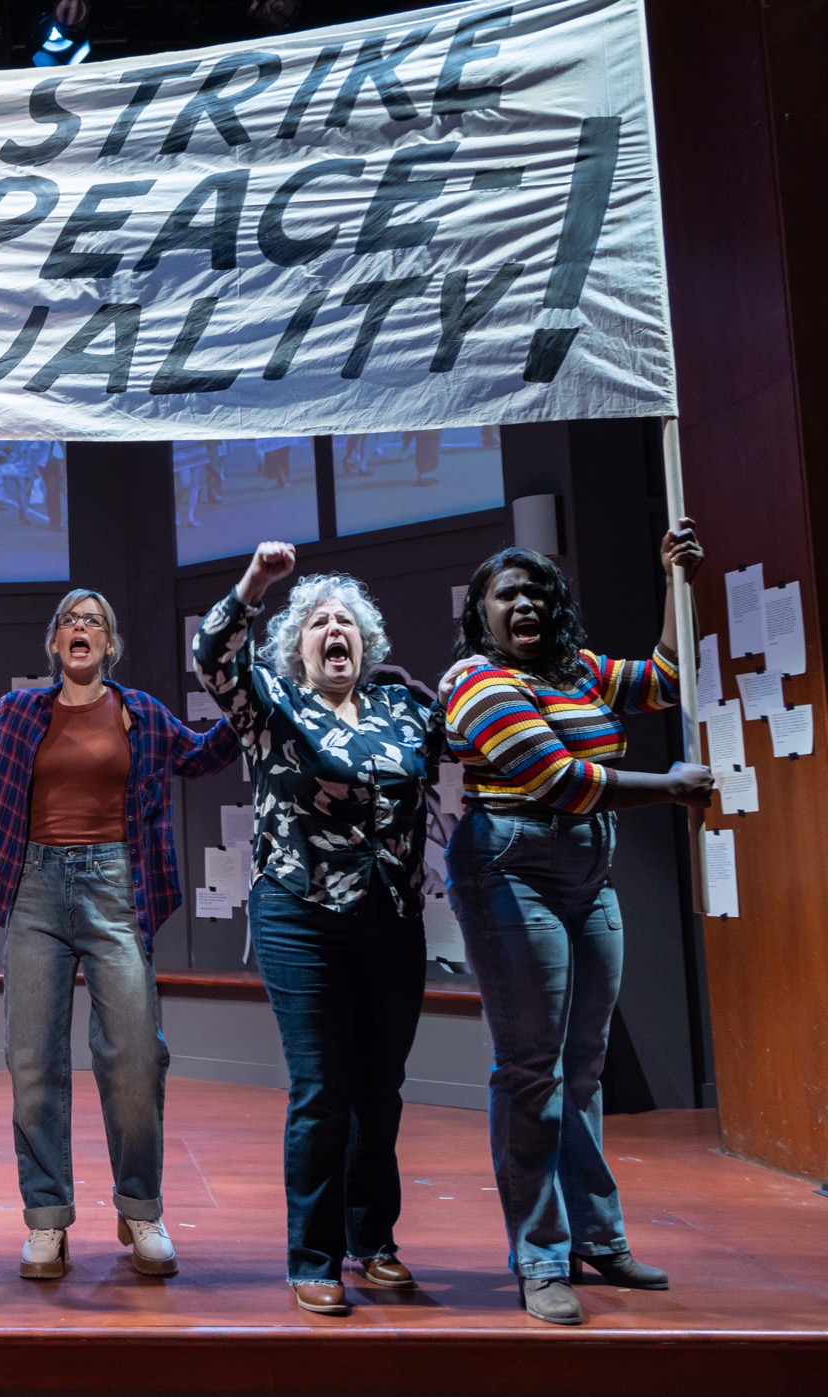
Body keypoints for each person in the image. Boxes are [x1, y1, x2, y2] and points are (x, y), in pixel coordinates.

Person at [194, 541, 474, 1317]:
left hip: (392, 920)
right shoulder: (271, 706)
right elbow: (212, 654)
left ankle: (372, 1240)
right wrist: (255, 583)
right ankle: (312, 1255)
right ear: (299, 645)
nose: (333, 629)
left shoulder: (407, 708)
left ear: (367, 640)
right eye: (318, 621)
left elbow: (483, 730)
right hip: (300, 917)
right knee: (323, 1088)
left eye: (345, 620)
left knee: (380, 1088)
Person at [444, 523, 712, 1326]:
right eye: (507, 594)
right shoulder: (475, 679)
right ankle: (539, 1256)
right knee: (532, 1071)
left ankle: (597, 1234)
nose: (524, 603)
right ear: (482, 613)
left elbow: (664, 679)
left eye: (536, 592)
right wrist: (669, 786)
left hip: (590, 873)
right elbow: (559, 780)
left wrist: (673, 577)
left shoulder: (577, 671)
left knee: (584, 1067)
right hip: (511, 871)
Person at [0, 590, 238, 1280]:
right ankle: (46, 1220)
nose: (79, 628)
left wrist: (249, 705)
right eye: (68, 621)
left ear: (109, 644)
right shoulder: (20, 712)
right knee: (32, 1059)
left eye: (93, 621)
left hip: (116, 885)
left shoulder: (140, 712)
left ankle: (140, 1204)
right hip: (35, 887)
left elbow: (204, 756)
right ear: (54, 643)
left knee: (136, 1055)